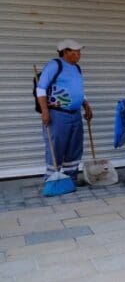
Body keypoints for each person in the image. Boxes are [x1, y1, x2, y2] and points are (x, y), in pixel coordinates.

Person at [36, 39, 92, 184]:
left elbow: (78, 90)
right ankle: (52, 181)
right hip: (57, 115)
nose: (79, 54)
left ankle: (70, 179)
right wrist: (45, 111)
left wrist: (86, 105)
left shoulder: (76, 68)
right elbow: (41, 89)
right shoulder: (55, 65)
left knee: (74, 148)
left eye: (79, 51)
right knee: (56, 148)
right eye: (76, 51)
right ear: (66, 52)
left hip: (75, 115)